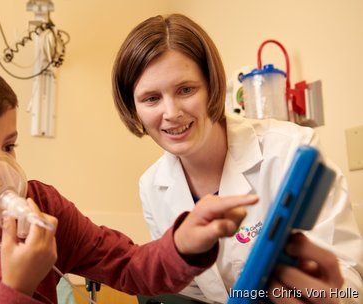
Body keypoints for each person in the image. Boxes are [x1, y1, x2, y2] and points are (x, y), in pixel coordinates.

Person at [0, 57, 260, 304]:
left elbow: (128, 266)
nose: (0, 171)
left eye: (8, 147)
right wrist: (17, 288)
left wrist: (183, 244)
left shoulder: (41, 205)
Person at [112, 13, 363, 304]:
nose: (171, 112)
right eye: (151, 98)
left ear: (211, 86)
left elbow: (350, 284)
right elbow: (191, 292)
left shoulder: (290, 150)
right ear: (134, 108)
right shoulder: (152, 186)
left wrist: (324, 295)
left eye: (186, 89)